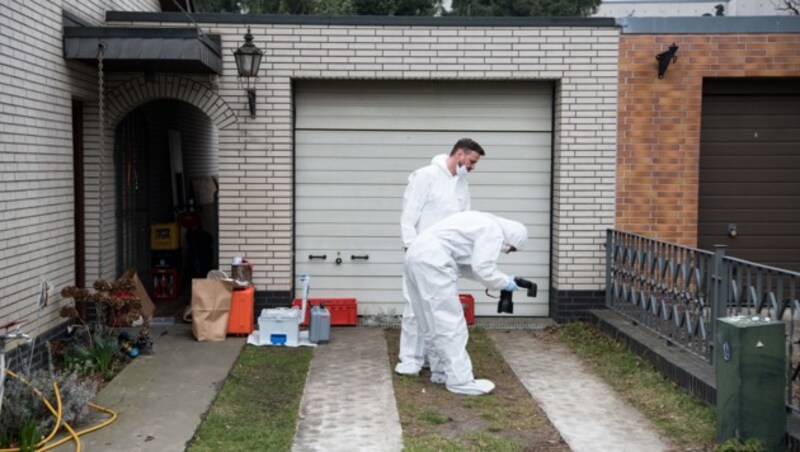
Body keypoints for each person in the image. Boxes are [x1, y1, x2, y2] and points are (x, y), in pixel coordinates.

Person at [404, 211, 527, 395]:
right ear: (513, 238)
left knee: (429, 321)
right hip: (433, 260)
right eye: (512, 249)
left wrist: (501, 279)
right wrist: (504, 282)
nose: (507, 252)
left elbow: (469, 267)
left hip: (416, 254)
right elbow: (483, 269)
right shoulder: (493, 231)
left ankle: (441, 372)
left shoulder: (477, 220)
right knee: (450, 322)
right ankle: (460, 380)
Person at [396, 138, 485, 377]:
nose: (473, 167)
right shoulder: (426, 176)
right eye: (471, 161)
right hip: (420, 254)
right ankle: (410, 359)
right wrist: (411, 247)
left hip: (446, 257)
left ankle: (432, 356)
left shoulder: (461, 184)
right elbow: (409, 214)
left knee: (439, 308)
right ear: (459, 154)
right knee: (415, 307)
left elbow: (464, 221)